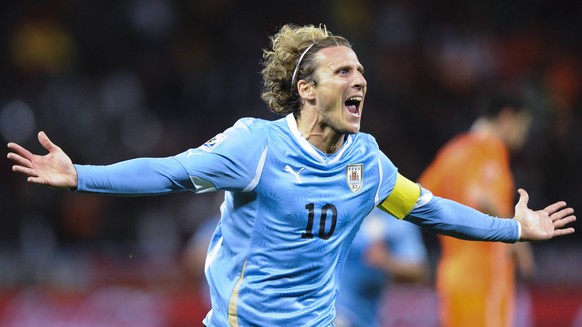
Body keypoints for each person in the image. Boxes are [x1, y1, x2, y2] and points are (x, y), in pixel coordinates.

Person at [6, 24, 576, 326]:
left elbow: (429, 209)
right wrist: (80, 174)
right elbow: (173, 173)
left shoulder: (368, 162)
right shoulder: (255, 145)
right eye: (343, 71)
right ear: (305, 89)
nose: (360, 81)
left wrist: (513, 229)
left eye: (362, 70)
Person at [417, 89, 537, 327]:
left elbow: (420, 197)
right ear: (507, 117)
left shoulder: (452, 151)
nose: (524, 136)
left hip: (452, 273)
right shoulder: (490, 149)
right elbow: (481, 195)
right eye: (523, 126)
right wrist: (517, 235)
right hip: (484, 274)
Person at [334, 207, 429, 327]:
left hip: (369, 314)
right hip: (333, 310)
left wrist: (386, 261)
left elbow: (418, 269)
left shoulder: (395, 213)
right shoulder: (335, 204)